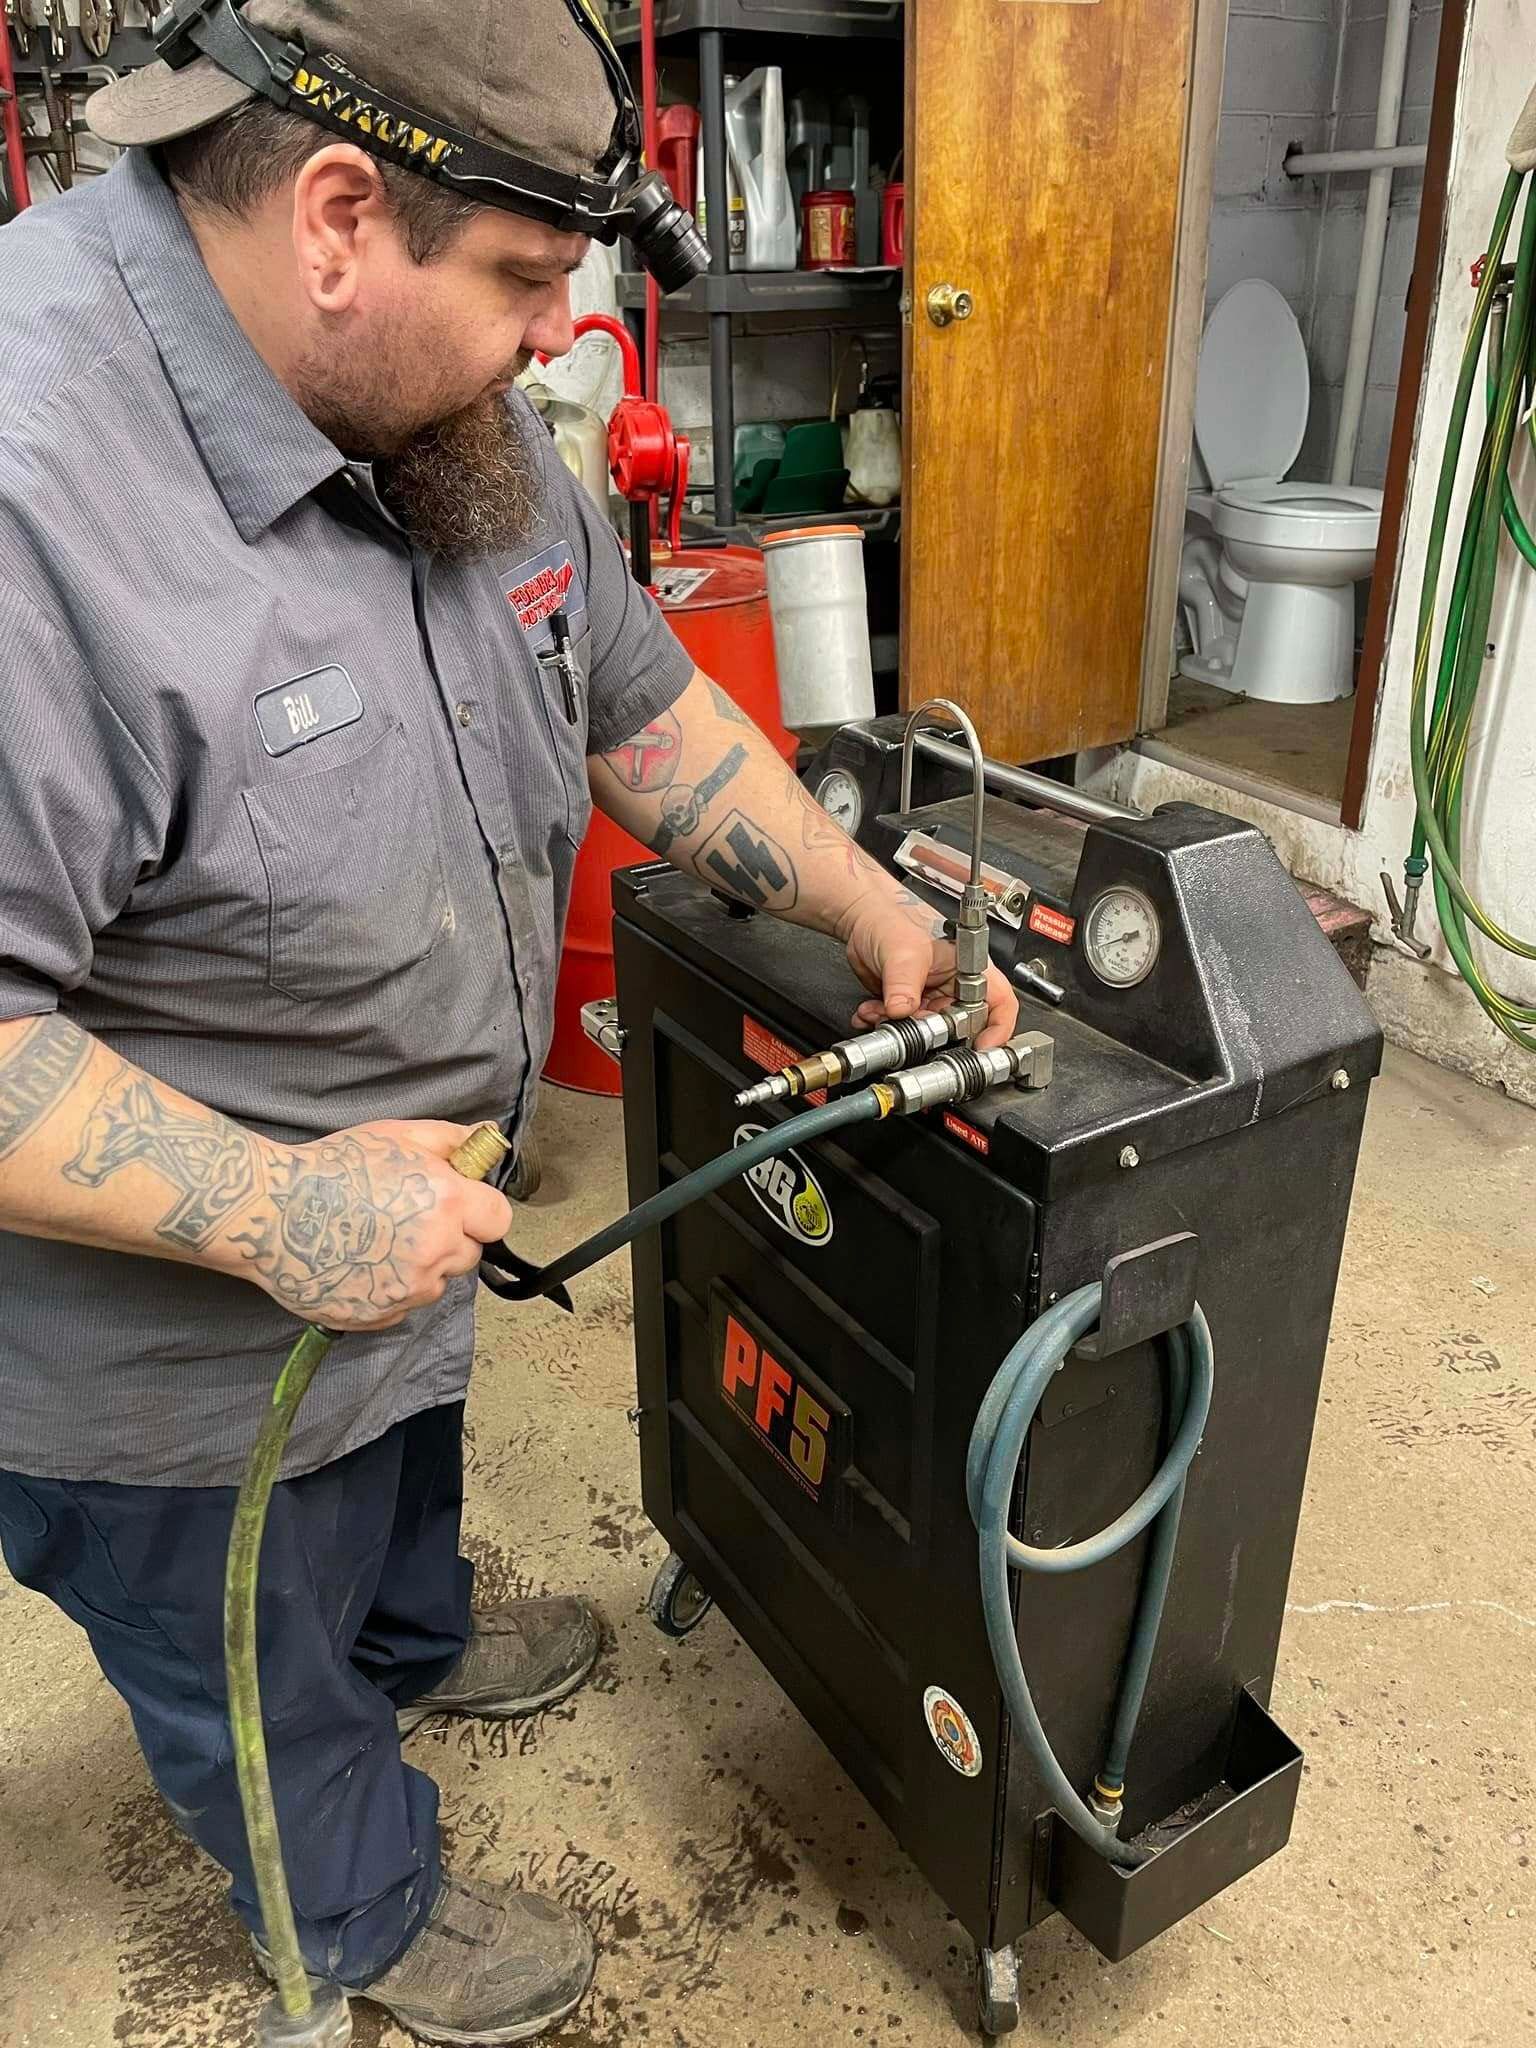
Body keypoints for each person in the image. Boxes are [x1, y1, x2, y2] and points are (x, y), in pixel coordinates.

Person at [0, 1, 1018, 2040]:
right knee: (257, 1671)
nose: (563, 340)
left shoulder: (421, 399)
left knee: (387, 1526)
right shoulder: (42, 501)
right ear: (339, 215)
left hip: (407, 1227)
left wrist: (860, 895)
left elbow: (627, 694)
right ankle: (354, 1914)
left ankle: (405, 1635)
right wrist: (278, 1212)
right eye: (534, 287)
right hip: (179, 1350)